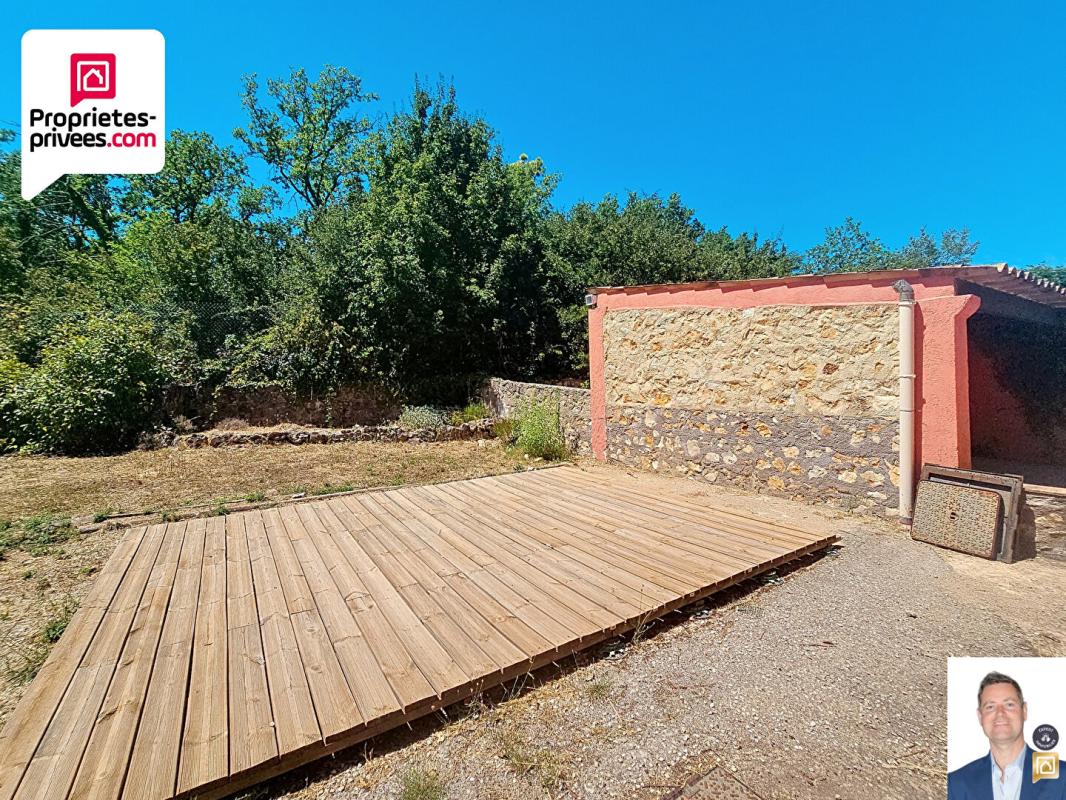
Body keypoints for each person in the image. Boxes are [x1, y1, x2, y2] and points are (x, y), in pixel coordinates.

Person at [948, 671, 1064, 800]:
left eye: (1009, 705)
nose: (1000, 714)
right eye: (990, 707)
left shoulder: (1061, 775)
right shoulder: (956, 783)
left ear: (1024, 711)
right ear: (980, 717)